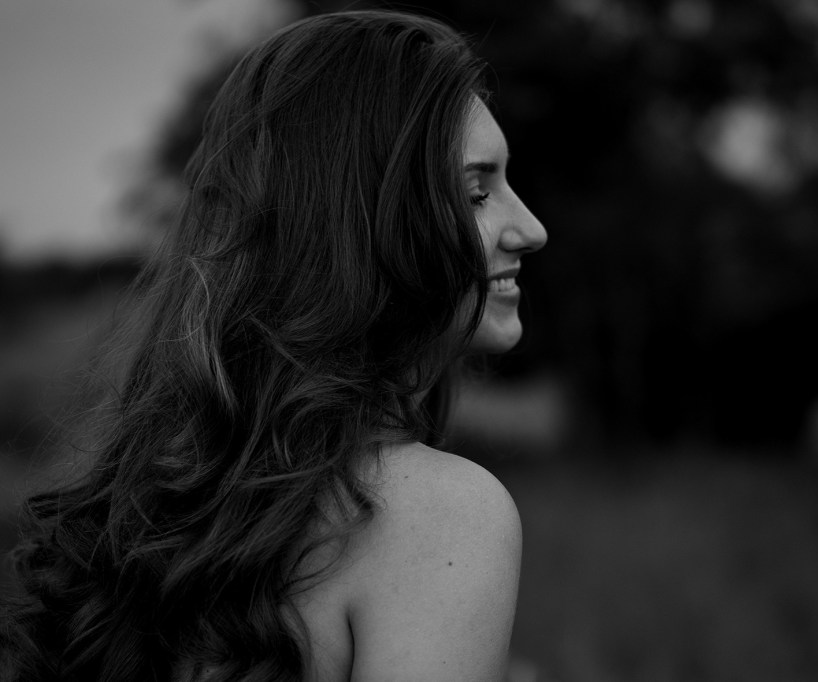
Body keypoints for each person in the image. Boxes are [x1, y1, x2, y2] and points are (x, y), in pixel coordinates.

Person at [0, 10, 546, 681]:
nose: (532, 228)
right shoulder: (447, 517)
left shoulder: (148, 517)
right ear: (360, 228)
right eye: (477, 192)